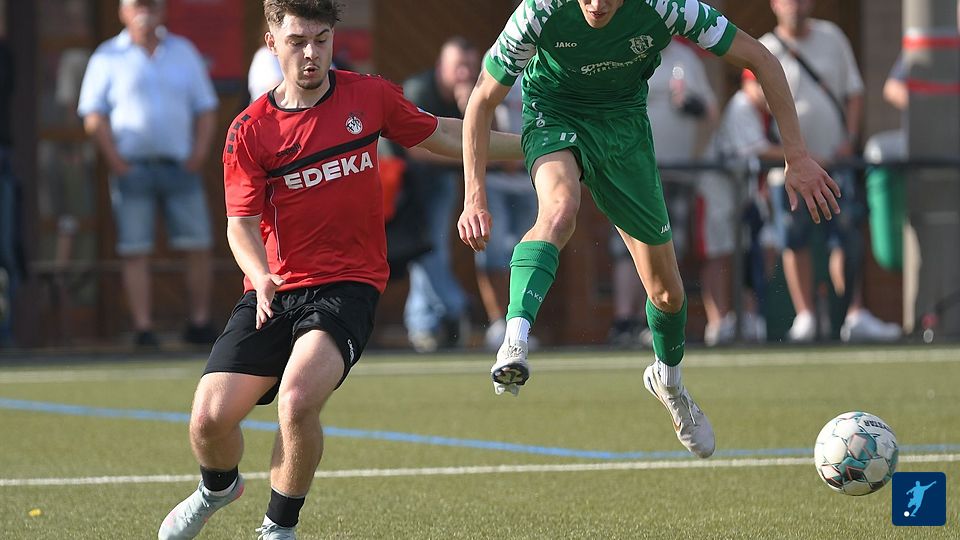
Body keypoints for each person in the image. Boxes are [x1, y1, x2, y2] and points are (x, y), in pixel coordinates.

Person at [156, 1, 522, 538]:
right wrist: (261, 276)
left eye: (321, 40)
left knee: (297, 400)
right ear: (271, 44)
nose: (311, 53)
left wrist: (534, 143)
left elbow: (443, 134)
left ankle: (278, 528)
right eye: (297, 41)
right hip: (274, 289)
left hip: (347, 286)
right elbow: (240, 226)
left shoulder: (367, 96)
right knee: (209, 420)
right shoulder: (249, 130)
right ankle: (218, 487)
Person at [459, 0, 841, 460]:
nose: (597, 5)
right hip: (554, 114)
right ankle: (514, 340)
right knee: (559, 211)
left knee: (667, 294)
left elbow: (762, 57)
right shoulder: (539, 11)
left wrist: (796, 155)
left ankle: (669, 381)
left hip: (625, 128)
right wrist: (474, 196)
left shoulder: (667, 8)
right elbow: (482, 98)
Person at [77, 0, 219, 347]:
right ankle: (143, 328)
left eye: (151, 5)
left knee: (197, 245)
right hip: (132, 168)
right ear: (123, 12)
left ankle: (199, 322)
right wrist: (116, 161)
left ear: (162, 11)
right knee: (135, 248)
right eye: (137, 5)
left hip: (180, 165)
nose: (145, 12)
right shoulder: (107, 56)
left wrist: (199, 153)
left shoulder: (183, 51)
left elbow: (206, 107)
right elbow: (93, 115)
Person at [760, 0, 900, 343]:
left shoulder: (832, 37)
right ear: (774, 4)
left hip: (836, 165)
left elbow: (854, 92)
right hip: (790, 169)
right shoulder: (764, 47)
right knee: (794, 240)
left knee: (847, 237)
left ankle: (854, 313)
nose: (795, 5)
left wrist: (849, 140)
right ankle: (805, 316)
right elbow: (754, 99)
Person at [608, 37, 717, 347]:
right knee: (627, 246)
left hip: (677, 173)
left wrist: (695, 108)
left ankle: (653, 320)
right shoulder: (622, 48)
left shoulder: (686, 58)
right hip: (630, 170)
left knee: (667, 247)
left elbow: (711, 111)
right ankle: (624, 321)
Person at [401, 37, 480, 352]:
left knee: (430, 249)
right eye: (458, 66)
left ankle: (424, 324)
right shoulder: (419, 90)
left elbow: (487, 133)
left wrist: (470, 107)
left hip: (440, 181)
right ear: (440, 68)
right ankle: (454, 307)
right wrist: (470, 156)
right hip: (401, 183)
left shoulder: (474, 92)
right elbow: (416, 150)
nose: (465, 73)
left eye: (471, 67)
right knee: (423, 250)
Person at [695, 70, 781, 345]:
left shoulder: (768, 112)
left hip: (744, 192)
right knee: (718, 253)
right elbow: (759, 151)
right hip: (717, 189)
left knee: (753, 250)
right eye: (759, 84)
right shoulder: (741, 105)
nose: (765, 90)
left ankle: (748, 316)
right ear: (747, 83)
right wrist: (798, 153)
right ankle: (718, 322)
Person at [472, 82, 539, 350]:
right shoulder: (500, 60)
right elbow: (482, 107)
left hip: (533, 177)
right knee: (492, 251)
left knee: (527, 254)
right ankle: (498, 322)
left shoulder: (549, 63)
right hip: (496, 177)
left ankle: (520, 324)